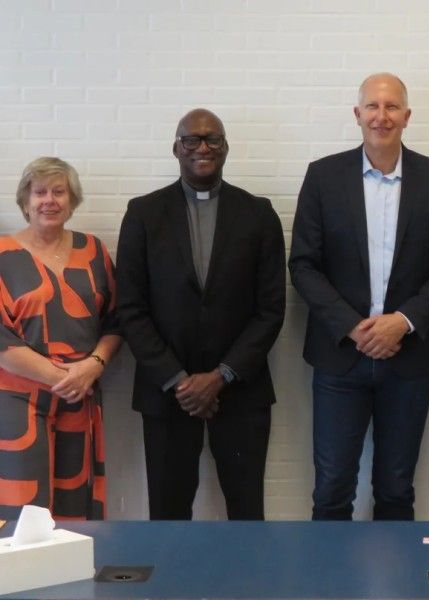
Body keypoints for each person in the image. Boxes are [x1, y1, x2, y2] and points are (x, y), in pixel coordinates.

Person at [289, 73, 429, 521]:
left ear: (406, 116)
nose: (381, 116)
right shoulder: (323, 177)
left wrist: (401, 322)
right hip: (340, 359)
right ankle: (331, 589)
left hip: (409, 361)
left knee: (395, 490)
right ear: (357, 114)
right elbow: (303, 265)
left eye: (391, 108)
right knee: (331, 490)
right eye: (373, 106)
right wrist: (353, 326)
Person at [116, 108, 285, 520]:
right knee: (168, 514)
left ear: (226, 149)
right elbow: (131, 308)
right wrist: (179, 381)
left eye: (212, 139)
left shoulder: (259, 214)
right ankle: (170, 588)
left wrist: (221, 375)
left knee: (247, 513)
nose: (202, 148)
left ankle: (245, 586)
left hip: (241, 391)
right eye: (191, 140)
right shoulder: (143, 214)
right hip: (167, 392)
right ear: (176, 148)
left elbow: (271, 309)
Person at [0, 157, 122, 520]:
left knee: (75, 509)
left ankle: (75, 577)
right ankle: (20, 579)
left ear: (72, 201)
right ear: (25, 202)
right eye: (39, 192)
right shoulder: (3, 255)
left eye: (59, 191)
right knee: (23, 508)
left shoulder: (94, 251)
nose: (49, 200)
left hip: (80, 396)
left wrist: (92, 367)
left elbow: (117, 320)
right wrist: (61, 378)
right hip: (18, 401)